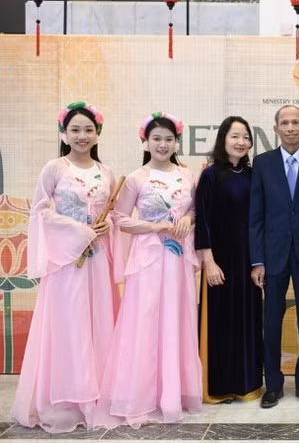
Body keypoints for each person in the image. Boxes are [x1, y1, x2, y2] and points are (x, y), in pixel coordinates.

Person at [12, 101, 119, 433]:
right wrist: (78, 232)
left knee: (98, 321)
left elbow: (111, 214)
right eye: (75, 129)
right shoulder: (54, 169)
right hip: (65, 263)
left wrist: (106, 227)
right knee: (69, 326)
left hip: (97, 261)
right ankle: (66, 400)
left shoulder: (106, 173)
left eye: (88, 129)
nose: (82, 136)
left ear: (97, 133)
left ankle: (97, 397)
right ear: (64, 132)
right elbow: (41, 212)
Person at [95, 112, 202, 428]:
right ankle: (140, 396)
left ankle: (174, 393)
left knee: (177, 318)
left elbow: (197, 209)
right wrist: (156, 226)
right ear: (145, 141)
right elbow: (119, 219)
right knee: (144, 321)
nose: (163, 144)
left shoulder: (187, 175)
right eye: (156, 138)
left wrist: (187, 220)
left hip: (178, 258)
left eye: (168, 139)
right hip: (147, 260)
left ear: (176, 142)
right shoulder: (136, 178)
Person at [249, 105, 299, 408]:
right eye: (285, 123)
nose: (291, 127)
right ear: (276, 129)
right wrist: (257, 260)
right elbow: (255, 216)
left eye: (296, 122)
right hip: (272, 256)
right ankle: (273, 384)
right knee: (271, 321)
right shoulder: (263, 163)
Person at [195, 116, 262, 404]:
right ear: (223, 139)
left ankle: (246, 384)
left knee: (247, 321)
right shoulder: (210, 175)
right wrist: (208, 261)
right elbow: (203, 221)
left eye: (246, 137)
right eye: (235, 136)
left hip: (248, 260)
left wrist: (260, 261)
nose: (241, 142)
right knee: (220, 323)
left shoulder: (253, 175)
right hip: (219, 261)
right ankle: (218, 387)